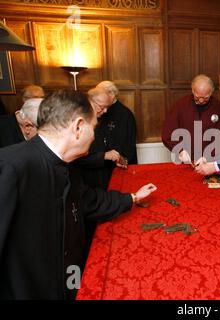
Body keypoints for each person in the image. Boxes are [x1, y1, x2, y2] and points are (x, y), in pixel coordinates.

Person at [0, 89, 157, 299]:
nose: (94, 136)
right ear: (78, 127)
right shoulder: (10, 166)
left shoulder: (67, 164)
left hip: (66, 281)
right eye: (93, 128)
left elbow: (88, 201)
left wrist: (133, 197)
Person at [161, 74, 220, 163]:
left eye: (205, 98)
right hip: (186, 162)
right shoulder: (180, 105)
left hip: (212, 161)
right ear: (192, 90)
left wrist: (209, 157)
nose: (201, 101)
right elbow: (167, 133)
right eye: (197, 97)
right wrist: (180, 151)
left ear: (211, 92)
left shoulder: (219, 108)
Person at [77, 86, 129, 190]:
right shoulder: (79, 124)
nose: (105, 111)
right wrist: (104, 156)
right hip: (87, 181)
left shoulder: (100, 119)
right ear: (90, 102)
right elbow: (77, 160)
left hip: (103, 177)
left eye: (107, 107)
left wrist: (116, 158)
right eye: (102, 107)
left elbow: (106, 145)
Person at [96, 80, 138, 165]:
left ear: (111, 94)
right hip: (104, 161)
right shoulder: (101, 110)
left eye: (101, 94)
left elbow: (126, 143)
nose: (98, 97)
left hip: (119, 163)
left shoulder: (124, 114)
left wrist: (121, 159)